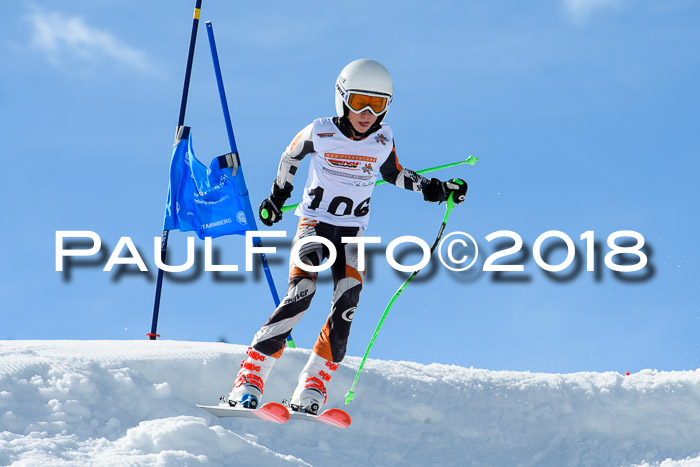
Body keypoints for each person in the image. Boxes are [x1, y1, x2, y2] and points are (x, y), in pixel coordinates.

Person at [227, 59, 468, 414]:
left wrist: (435, 189)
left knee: (347, 304)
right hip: (313, 224)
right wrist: (277, 198)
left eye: (377, 104)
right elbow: (290, 156)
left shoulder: (383, 140)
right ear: (342, 98)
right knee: (302, 294)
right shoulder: (320, 131)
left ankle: (313, 384)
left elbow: (395, 174)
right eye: (358, 102)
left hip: (352, 234)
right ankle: (250, 376)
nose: (367, 113)